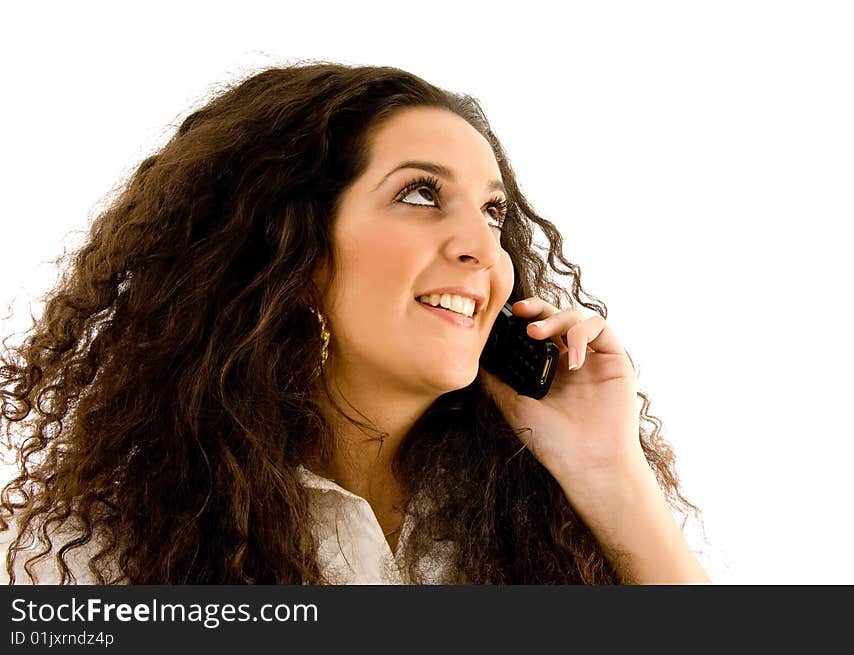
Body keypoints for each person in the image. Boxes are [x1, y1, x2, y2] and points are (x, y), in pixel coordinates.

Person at [0, 61, 709, 585]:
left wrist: (607, 468)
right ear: (296, 249)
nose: (482, 247)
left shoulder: (538, 507)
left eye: (493, 212)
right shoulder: (91, 549)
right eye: (421, 193)